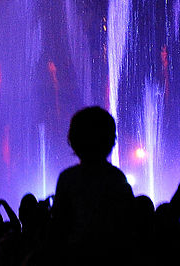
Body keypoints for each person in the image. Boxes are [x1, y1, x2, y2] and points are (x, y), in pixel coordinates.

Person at [49, 106, 134, 261]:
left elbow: (59, 225)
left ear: (73, 140)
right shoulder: (115, 177)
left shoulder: (68, 178)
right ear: (109, 141)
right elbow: (127, 223)